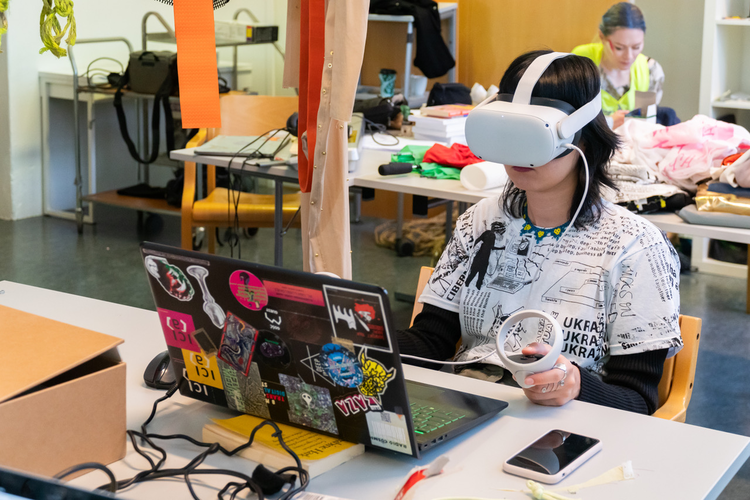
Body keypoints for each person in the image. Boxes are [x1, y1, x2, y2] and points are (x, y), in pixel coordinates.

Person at [397, 50, 683, 415]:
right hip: (468, 408)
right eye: (508, 132)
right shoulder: (480, 221)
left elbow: (638, 399)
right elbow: (430, 341)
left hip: (568, 423)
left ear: (582, 138)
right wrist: (362, 339)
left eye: (532, 135)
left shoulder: (636, 247)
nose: (518, 153)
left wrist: (576, 386)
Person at [572, 2, 678, 129]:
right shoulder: (582, 61)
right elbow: (571, 120)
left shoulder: (651, 71)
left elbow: (645, 125)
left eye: (636, 47)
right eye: (619, 48)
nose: (629, 56)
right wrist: (609, 122)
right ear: (602, 37)